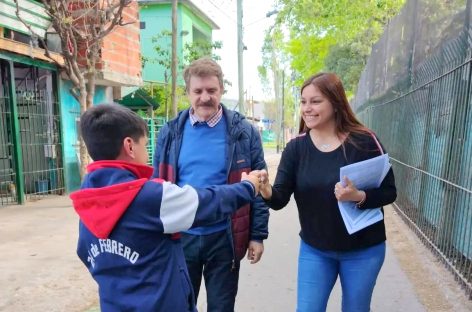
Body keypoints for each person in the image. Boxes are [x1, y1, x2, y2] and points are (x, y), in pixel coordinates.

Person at [70, 103, 262, 312]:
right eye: (144, 144)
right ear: (129, 146)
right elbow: (208, 201)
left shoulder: (87, 198)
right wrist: (249, 186)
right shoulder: (151, 197)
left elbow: (85, 252)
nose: (147, 153)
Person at [257, 72, 397, 312]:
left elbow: (389, 192)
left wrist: (359, 197)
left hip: (364, 251)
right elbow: (279, 199)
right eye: (303, 102)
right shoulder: (296, 148)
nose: (307, 108)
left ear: (335, 102)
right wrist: (266, 190)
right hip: (316, 250)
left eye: (315, 101)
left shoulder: (364, 141)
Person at [152, 57, 269, 311]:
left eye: (211, 90)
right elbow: (157, 186)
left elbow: (259, 186)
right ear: (187, 93)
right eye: (198, 91)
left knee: (221, 308)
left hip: (225, 238)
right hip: (181, 238)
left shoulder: (244, 133)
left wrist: (257, 236)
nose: (205, 97)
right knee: (180, 306)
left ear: (222, 91)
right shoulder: (170, 133)